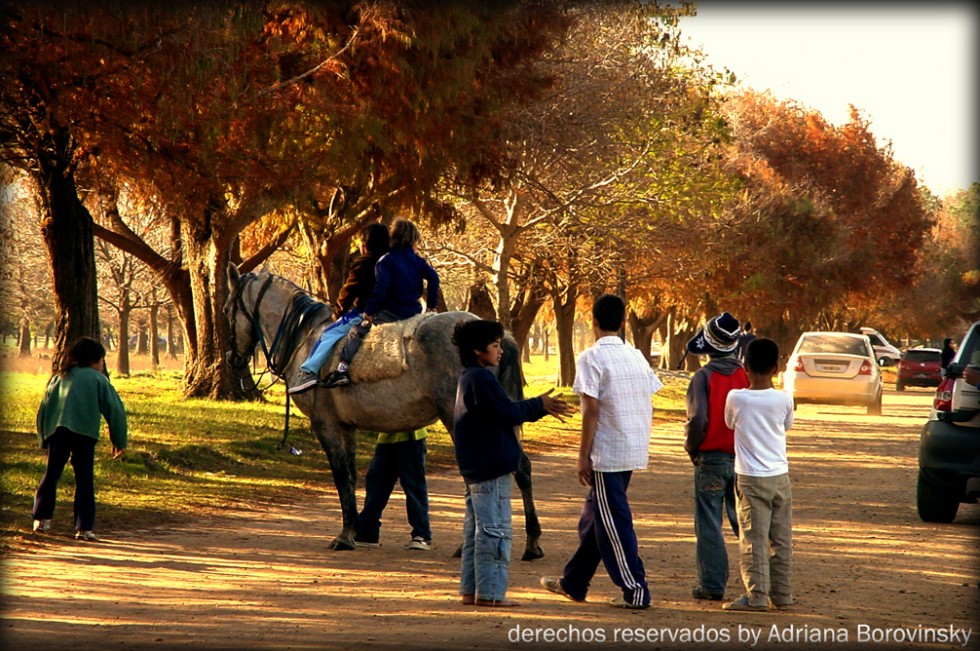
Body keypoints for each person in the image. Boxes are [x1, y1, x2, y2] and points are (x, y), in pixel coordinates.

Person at [540, 294, 664, 610]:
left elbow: (590, 410)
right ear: (623, 322)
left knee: (614, 523)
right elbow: (648, 394)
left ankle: (636, 590)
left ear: (593, 321)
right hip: (631, 447)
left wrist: (583, 455)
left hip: (608, 453)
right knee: (595, 518)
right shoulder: (636, 356)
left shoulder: (591, 358)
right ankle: (574, 582)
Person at [452, 319, 574, 607]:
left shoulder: (471, 376)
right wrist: (539, 405)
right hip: (490, 469)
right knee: (495, 532)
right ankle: (491, 595)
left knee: (475, 534)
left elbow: (502, 412)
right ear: (477, 350)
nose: (500, 351)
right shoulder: (480, 379)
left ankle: (472, 591)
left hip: (478, 468)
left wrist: (537, 407)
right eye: (495, 346)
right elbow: (507, 412)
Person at [323, 219, 440, 388]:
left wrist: (369, 312)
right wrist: (431, 305)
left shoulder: (386, 260)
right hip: (414, 312)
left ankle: (341, 369)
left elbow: (381, 288)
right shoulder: (418, 260)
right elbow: (434, 278)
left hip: (391, 312)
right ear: (413, 240)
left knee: (357, 331)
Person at [723, 337, 795, 611]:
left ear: (745, 367)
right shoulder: (784, 398)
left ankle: (757, 596)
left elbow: (729, 422)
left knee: (754, 538)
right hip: (780, 476)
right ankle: (783, 594)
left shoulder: (737, 398)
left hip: (751, 478)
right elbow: (786, 426)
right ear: (776, 368)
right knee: (781, 538)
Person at [32, 336, 128, 541]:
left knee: (51, 475)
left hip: (57, 432)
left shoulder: (60, 377)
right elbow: (115, 411)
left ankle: (41, 518)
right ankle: (84, 528)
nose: (102, 365)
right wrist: (119, 441)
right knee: (84, 479)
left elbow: (44, 409)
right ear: (95, 360)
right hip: (84, 434)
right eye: (102, 360)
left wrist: (43, 438)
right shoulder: (98, 379)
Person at [683, 311, 749, 602]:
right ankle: (762, 582)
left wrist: (692, 448)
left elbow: (697, 419)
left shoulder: (703, 377)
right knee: (744, 523)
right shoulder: (745, 375)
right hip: (743, 460)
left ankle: (711, 585)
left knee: (709, 521)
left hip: (710, 459)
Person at [290, 222, 390, 394]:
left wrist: (338, 312)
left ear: (365, 243)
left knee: (329, 333)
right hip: (393, 311)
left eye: (360, 241)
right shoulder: (392, 262)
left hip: (363, 313)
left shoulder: (363, 263)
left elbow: (348, 291)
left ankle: (308, 372)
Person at [354, 427, 433, 551]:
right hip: (386, 438)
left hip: (412, 436)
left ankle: (421, 534)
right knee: (376, 484)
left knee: (413, 486)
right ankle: (367, 532)